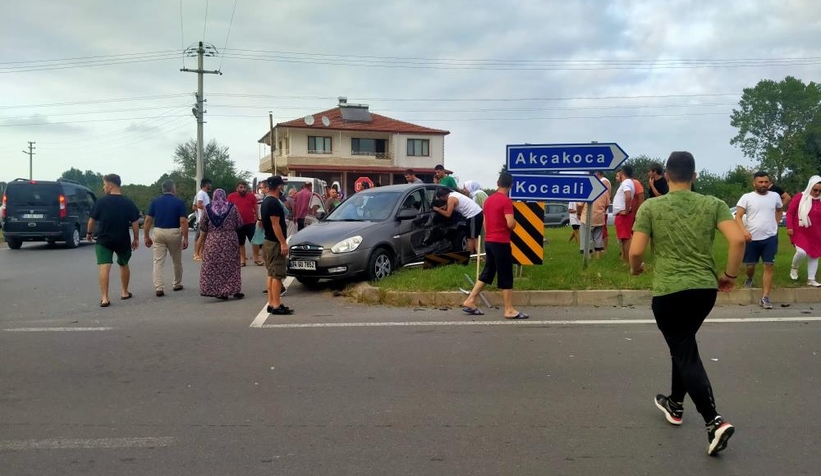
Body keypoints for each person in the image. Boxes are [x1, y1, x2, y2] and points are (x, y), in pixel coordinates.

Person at [629, 151, 744, 456]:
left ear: (666, 176)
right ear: (694, 176)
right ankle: (675, 405)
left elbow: (636, 251)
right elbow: (738, 240)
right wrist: (729, 275)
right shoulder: (714, 204)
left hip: (669, 291)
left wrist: (636, 269)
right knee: (683, 346)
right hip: (704, 290)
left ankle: (714, 421)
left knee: (684, 351)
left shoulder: (651, 207)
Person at [461, 171, 527, 319]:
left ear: (497, 183)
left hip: (489, 240)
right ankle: (509, 309)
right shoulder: (506, 201)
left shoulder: (488, 200)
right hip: (501, 242)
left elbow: (485, 223)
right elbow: (510, 223)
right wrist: (515, 224)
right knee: (505, 274)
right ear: (511, 185)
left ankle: (470, 300)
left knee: (488, 272)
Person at [86, 174, 140, 307]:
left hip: (104, 240)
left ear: (110, 185)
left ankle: (105, 298)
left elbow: (92, 220)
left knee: (105, 267)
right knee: (124, 264)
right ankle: (124, 292)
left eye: (104, 185)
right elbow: (135, 222)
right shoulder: (128, 202)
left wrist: (89, 233)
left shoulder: (101, 202)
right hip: (122, 239)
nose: (104, 188)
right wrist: (136, 238)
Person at [735, 171, 783, 309]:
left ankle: (765, 297)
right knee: (750, 266)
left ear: (769, 183)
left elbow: (779, 209)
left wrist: (776, 222)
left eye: (766, 182)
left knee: (769, 266)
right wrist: (744, 232)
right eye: (760, 182)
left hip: (770, 237)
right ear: (754, 183)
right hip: (752, 238)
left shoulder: (774, 196)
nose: (763, 184)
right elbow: (738, 216)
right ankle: (749, 278)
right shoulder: (747, 197)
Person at [143, 179, 189, 297]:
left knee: (158, 261)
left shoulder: (155, 201)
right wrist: (185, 238)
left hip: (158, 231)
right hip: (174, 231)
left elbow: (148, 220)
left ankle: (159, 287)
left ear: (163, 189)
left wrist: (146, 236)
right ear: (172, 189)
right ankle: (177, 283)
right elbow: (183, 221)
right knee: (176, 260)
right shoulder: (179, 202)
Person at [197, 189, 244, 300]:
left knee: (214, 266)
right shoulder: (232, 207)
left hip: (213, 241)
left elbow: (203, 226)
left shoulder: (207, 208)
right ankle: (233, 289)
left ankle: (217, 291)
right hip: (230, 240)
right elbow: (240, 223)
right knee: (231, 265)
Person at [261, 176, 293, 315]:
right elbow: (275, 224)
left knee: (271, 273)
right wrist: (283, 243)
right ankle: (276, 304)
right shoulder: (273, 203)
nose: (283, 188)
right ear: (279, 186)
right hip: (274, 242)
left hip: (268, 240)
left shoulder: (265, 201)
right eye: (282, 186)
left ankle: (270, 302)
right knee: (277, 275)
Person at [786, 175, 821, 287]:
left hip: (816, 232)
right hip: (800, 231)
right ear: (810, 187)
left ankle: (811, 279)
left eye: (820, 191)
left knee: (815, 255)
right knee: (801, 252)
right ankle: (794, 267)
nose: (817, 193)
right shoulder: (799, 197)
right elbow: (790, 213)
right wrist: (789, 227)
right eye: (815, 190)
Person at [433, 186, 484, 254]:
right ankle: (479, 255)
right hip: (477, 213)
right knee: (474, 237)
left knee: (471, 238)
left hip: (473, 215)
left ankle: (470, 256)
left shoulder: (451, 199)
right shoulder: (454, 194)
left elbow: (448, 214)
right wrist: (446, 206)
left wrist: (438, 209)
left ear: (442, 197)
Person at [227, 180, 262, 267]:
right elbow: (228, 209)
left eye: (244, 187)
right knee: (240, 243)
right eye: (241, 187)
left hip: (250, 222)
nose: (243, 189)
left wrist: (257, 217)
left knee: (255, 241)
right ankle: (243, 260)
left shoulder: (251, 196)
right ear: (237, 188)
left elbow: (256, 207)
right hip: (238, 223)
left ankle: (256, 259)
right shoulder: (231, 196)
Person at [577, 183, 610, 258]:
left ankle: (588, 256)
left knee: (586, 237)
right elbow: (607, 204)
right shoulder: (604, 191)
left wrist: (578, 214)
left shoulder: (585, 189)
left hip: (587, 217)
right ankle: (597, 256)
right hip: (599, 218)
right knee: (598, 237)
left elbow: (579, 205)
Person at [613, 166, 637, 263]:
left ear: (622, 173)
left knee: (625, 239)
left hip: (624, 215)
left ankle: (628, 261)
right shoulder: (628, 182)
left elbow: (628, 196)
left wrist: (626, 210)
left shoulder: (626, 182)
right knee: (623, 239)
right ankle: (625, 259)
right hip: (622, 214)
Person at [192, 178, 212, 261]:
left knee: (204, 238)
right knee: (201, 236)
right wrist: (209, 210)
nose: (211, 186)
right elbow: (199, 205)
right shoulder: (201, 193)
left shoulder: (205, 194)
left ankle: (202, 253)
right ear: (205, 185)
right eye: (209, 184)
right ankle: (196, 254)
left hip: (206, 218)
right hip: (202, 219)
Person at [596, 171, 612, 250]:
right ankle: (599, 247)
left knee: (603, 230)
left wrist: (603, 209)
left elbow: (607, 196)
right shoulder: (598, 181)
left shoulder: (604, 181)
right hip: (597, 210)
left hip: (602, 210)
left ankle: (604, 248)